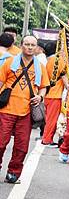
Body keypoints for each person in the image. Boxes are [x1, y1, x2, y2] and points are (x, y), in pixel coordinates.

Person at [0, 35, 49, 183]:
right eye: (27, 44)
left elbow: (43, 87)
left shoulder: (39, 66)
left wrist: (40, 97)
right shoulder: (9, 63)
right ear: (21, 46)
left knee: (21, 146)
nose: (29, 47)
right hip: (6, 110)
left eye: (32, 45)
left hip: (27, 112)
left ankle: (13, 172)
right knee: (1, 143)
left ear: (36, 48)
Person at [42, 41, 67, 147]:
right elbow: (64, 77)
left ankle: (46, 138)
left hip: (48, 94)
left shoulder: (49, 61)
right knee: (52, 119)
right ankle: (47, 139)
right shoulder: (59, 61)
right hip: (55, 95)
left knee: (49, 119)